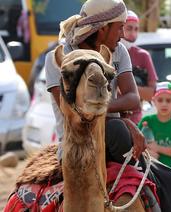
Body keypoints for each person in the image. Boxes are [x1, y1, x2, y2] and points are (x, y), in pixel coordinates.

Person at [45, 0, 144, 160]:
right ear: (103, 28)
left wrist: (97, 109)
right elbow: (73, 110)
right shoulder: (60, 56)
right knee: (117, 129)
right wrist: (126, 122)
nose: (123, 35)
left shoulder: (119, 51)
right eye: (120, 28)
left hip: (115, 139)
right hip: (77, 144)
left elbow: (133, 99)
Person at [121, 10, 158, 124]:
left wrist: (124, 85)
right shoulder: (108, 52)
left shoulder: (143, 55)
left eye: (136, 29)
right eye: (129, 28)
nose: (133, 33)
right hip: (111, 118)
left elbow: (152, 94)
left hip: (135, 120)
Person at [138, 82, 171, 167]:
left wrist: (158, 148)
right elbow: (137, 145)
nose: (164, 104)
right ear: (153, 101)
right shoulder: (146, 121)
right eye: (160, 100)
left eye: (168, 100)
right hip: (150, 171)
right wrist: (148, 153)